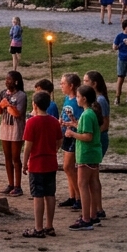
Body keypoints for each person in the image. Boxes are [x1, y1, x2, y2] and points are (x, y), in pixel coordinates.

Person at [22, 90, 62, 238]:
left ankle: (38, 228)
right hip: (51, 163)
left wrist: (24, 163)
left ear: (35, 105)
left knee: (38, 196)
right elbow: (59, 141)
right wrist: (53, 150)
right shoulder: (54, 121)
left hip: (37, 164)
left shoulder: (31, 122)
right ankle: (49, 226)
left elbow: (28, 146)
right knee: (50, 194)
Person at [66, 85, 103, 230]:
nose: (76, 98)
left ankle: (86, 218)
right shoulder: (90, 113)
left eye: (78, 96)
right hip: (93, 153)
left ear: (84, 99)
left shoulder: (87, 114)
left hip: (86, 154)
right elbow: (88, 129)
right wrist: (75, 124)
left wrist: (72, 134)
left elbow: (88, 136)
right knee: (93, 184)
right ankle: (93, 215)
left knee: (82, 185)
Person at [0, 70, 28, 197]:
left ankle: (18, 186)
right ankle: (10, 184)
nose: (6, 82)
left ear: (16, 81)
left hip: (16, 128)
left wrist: (8, 104)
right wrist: (1, 105)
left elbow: (17, 113)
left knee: (15, 157)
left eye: (9, 79)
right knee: (7, 157)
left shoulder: (21, 96)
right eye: (6, 79)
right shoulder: (2, 93)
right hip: (5, 127)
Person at [57, 73, 82, 212]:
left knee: (68, 167)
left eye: (63, 83)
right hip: (66, 133)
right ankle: (72, 196)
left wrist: (71, 124)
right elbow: (65, 114)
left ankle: (80, 197)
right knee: (68, 168)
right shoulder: (67, 99)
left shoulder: (77, 102)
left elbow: (79, 121)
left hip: (73, 135)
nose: (61, 86)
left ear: (71, 85)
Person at [83, 71, 111, 164]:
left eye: (86, 81)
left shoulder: (100, 100)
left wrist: (93, 135)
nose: (84, 83)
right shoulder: (93, 99)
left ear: (94, 84)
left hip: (99, 138)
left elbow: (105, 123)